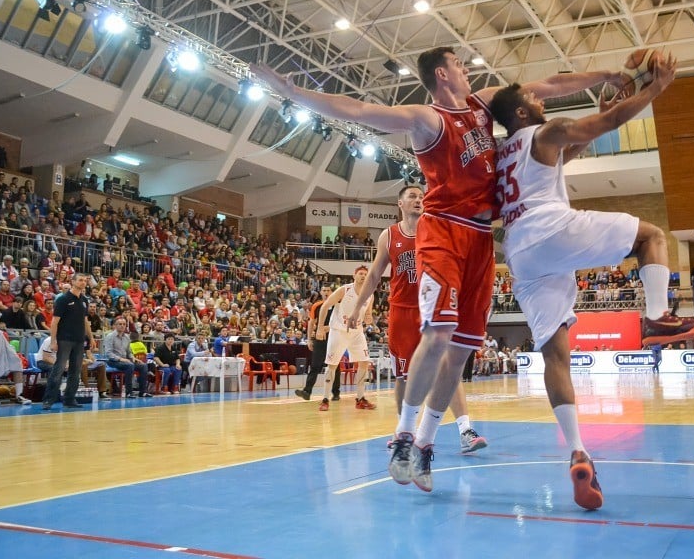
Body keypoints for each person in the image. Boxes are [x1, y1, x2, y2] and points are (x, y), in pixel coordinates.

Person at [254, 47, 622, 493]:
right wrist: (293, 92)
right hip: (444, 232)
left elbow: (546, 86)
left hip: (482, 240)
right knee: (440, 333)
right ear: (443, 74)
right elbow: (359, 109)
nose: (468, 68)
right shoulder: (426, 119)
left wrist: (606, 74)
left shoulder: (483, 103)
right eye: (460, 63)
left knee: (462, 350)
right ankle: (403, 437)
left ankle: (426, 445)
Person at [486, 53, 694, 509]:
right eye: (532, 97)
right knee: (650, 237)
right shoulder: (544, 131)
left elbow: (568, 153)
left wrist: (614, 94)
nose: (538, 99)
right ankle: (654, 319)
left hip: (518, 250)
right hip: (548, 229)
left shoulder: (503, 153)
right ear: (520, 112)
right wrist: (654, 90)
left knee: (555, 352)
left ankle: (578, 449)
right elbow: (603, 125)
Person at [347, 185, 488, 453]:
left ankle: (466, 429)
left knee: (448, 369)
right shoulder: (389, 236)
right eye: (412, 196)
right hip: (402, 310)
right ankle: (405, 431)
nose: (418, 200)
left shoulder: (435, 230)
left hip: (433, 307)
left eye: (422, 196)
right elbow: (375, 275)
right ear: (399, 203)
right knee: (402, 375)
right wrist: (357, 308)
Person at [316, 266, 376, 412]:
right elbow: (325, 306)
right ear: (354, 276)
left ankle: (360, 398)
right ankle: (325, 399)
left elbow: (368, 316)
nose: (363, 276)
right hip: (339, 331)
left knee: (364, 362)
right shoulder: (344, 290)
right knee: (332, 364)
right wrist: (319, 327)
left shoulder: (370, 294)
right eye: (360, 274)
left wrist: (369, 319)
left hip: (356, 332)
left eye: (365, 274)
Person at [42, 273, 96, 410]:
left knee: (75, 370)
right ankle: (49, 400)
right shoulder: (63, 299)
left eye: (85, 280)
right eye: (80, 280)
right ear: (73, 281)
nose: (83, 282)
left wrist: (91, 338)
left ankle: (70, 399)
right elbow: (55, 322)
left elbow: (85, 321)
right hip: (64, 339)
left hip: (79, 340)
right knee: (58, 369)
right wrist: (53, 341)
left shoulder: (84, 300)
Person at [295, 285, 341, 402]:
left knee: (334, 366)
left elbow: (342, 322)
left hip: (334, 337)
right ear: (320, 292)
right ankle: (307, 391)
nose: (326, 293)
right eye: (324, 290)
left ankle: (336, 393)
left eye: (328, 290)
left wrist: (329, 328)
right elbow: (311, 322)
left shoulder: (338, 305)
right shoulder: (317, 306)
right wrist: (310, 339)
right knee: (315, 365)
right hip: (320, 339)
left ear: (332, 292)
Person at [102, 318, 151, 399]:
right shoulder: (110, 336)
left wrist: (134, 358)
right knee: (130, 365)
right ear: (115, 325)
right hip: (112, 361)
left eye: (124, 324)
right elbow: (108, 353)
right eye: (120, 324)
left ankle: (143, 392)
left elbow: (129, 352)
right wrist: (120, 359)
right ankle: (129, 392)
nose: (122, 326)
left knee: (143, 366)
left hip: (126, 361)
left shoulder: (127, 337)